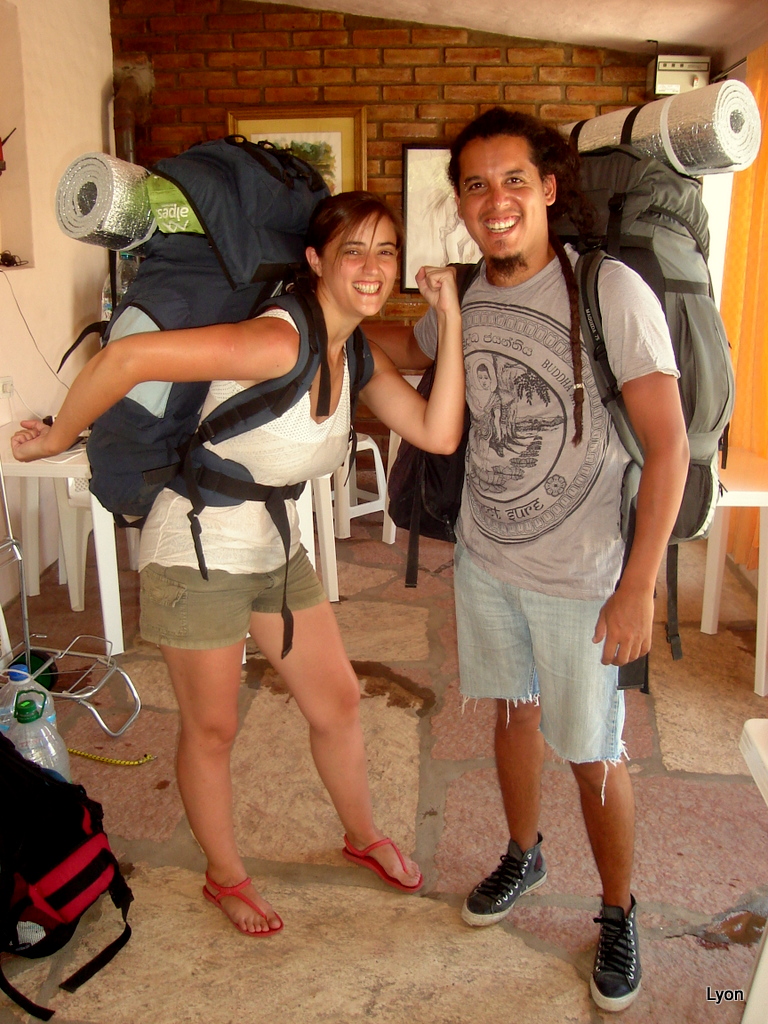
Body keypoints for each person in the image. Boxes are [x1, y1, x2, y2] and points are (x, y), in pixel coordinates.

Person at [13, 192, 465, 938]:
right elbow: (127, 358)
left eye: (385, 251)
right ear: (316, 260)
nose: (373, 267)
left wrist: (450, 318)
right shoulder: (278, 340)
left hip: (272, 547)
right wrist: (59, 436)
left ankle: (362, 835)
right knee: (213, 728)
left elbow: (437, 432)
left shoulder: (352, 350)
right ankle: (224, 877)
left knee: (338, 702)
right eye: (353, 251)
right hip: (196, 550)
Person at [366, 110, 689, 1012]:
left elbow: (669, 449)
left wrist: (638, 586)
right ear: (460, 203)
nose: (494, 200)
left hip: (584, 579)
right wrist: (332, 320)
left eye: (513, 179)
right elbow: (410, 350)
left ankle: (618, 911)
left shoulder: (607, 290)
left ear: (548, 188)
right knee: (513, 715)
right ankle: (524, 853)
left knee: (593, 752)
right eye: (475, 184)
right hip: (486, 560)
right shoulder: (467, 294)